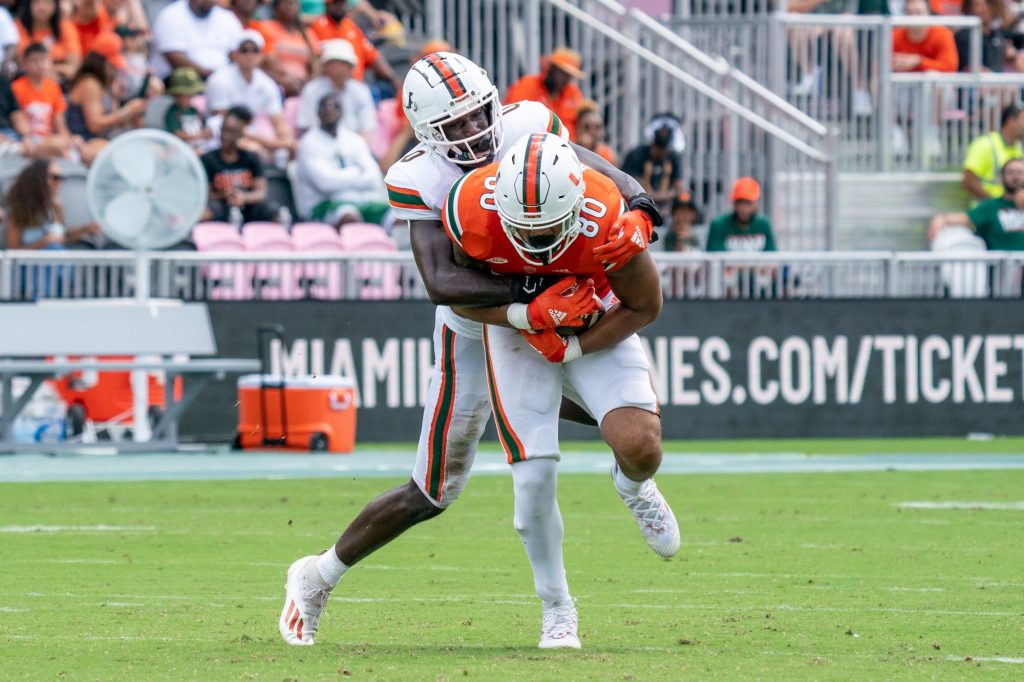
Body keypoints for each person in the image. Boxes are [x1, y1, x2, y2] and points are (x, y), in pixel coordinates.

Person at [278, 50, 663, 650]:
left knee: (625, 421)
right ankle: (317, 575)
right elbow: (443, 285)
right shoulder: (422, 179)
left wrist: (638, 204)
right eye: (451, 126)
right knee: (435, 487)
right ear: (425, 133)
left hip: (548, 302)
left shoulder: (528, 124)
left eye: (476, 115)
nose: (471, 132)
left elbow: (592, 167)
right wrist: (530, 300)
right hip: (477, 322)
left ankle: (632, 475)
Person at [438, 133, 679, 646]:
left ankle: (633, 486)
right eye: (526, 229)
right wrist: (526, 312)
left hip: (596, 320)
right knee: (532, 483)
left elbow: (646, 305)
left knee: (641, 446)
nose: (539, 241)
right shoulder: (470, 211)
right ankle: (557, 606)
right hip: (514, 331)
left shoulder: (605, 217)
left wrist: (572, 348)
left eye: (550, 228)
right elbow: (456, 298)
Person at [295, 94, 389, 228]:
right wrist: (356, 172)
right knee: (349, 215)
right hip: (322, 205)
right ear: (317, 112)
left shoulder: (354, 139)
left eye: (335, 106)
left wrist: (340, 178)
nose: (330, 110)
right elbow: (326, 184)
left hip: (358, 201)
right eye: (325, 107)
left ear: (342, 111)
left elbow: (374, 178)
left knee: (397, 215)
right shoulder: (308, 143)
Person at [205, 30, 292, 157]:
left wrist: (286, 140)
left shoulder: (267, 83)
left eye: (255, 50)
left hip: (253, 132)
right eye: (244, 50)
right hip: (221, 134)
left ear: (261, 55)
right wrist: (266, 142)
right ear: (235, 55)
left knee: (288, 149)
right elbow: (224, 123)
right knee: (253, 149)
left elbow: (278, 120)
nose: (250, 55)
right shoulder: (219, 80)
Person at [65, 35, 148, 162]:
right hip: (84, 141)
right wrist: (125, 112)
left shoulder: (109, 84)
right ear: (100, 61)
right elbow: (95, 125)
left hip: (104, 139)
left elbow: (113, 119)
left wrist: (133, 113)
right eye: (111, 65)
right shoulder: (89, 83)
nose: (114, 70)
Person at [200, 105, 277, 223]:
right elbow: (206, 195)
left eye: (231, 131)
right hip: (222, 205)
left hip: (248, 206)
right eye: (223, 130)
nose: (225, 136)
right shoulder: (208, 159)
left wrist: (243, 197)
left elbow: (261, 193)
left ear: (240, 134)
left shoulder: (251, 157)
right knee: (207, 212)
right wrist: (224, 195)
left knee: (274, 211)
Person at [929, 158, 1024, 249]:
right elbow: (965, 218)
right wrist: (942, 218)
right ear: (1001, 177)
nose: (1016, 177)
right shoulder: (992, 206)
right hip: (1001, 264)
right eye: (1011, 172)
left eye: (1020, 172)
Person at [3, 160, 99, 249]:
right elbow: (12, 251)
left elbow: (60, 238)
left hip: (58, 264)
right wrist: (44, 242)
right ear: (37, 179)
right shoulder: (18, 212)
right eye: (55, 177)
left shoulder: (56, 206)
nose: (59, 182)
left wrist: (84, 230)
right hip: (31, 266)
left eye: (61, 178)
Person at [295, 39, 375, 142]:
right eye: (333, 62)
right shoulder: (312, 90)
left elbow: (367, 128)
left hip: (354, 146)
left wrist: (358, 150)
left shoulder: (361, 91)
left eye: (342, 63)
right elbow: (306, 125)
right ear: (326, 66)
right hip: (319, 144)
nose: (338, 67)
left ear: (350, 66)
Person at [309, 0, 399, 90]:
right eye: (336, 4)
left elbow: (373, 56)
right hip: (327, 86)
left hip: (355, 86)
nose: (340, 7)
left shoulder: (351, 26)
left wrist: (393, 79)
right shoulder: (316, 25)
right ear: (327, 5)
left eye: (342, 3)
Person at [504, 47, 585, 140]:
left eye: (569, 75)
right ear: (552, 68)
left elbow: (584, 123)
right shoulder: (528, 85)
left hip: (566, 148)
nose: (565, 78)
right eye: (562, 73)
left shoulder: (573, 93)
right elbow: (511, 120)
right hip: (530, 144)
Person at [151, 0, 243, 80]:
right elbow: (175, 58)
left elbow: (239, 50)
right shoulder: (171, 15)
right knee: (185, 78)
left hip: (222, 79)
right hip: (182, 79)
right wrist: (213, 76)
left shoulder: (226, 17)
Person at [621, 113, 686, 216]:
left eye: (664, 149)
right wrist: (667, 195)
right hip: (637, 207)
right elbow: (636, 189)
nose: (661, 153)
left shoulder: (673, 157)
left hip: (666, 210)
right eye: (658, 149)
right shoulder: (636, 155)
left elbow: (679, 187)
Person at [253, 0, 319, 97]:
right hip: (274, 85)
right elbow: (266, 60)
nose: (290, 6)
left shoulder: (307, 33)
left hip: (303, 88)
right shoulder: (265, 27)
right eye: (286, 2)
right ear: (277, 6)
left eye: (294, 3)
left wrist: (307, 84)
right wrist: (283, 80)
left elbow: (315, 65)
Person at [962, 103, 1024, 202]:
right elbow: (968, 181)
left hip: (1011, 212)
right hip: (985, 213)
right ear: (1011, 120)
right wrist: (994, 206)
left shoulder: (1018, 147)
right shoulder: (984, 144)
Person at [11, 42, 70, 139]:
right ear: (24, 63)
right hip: (26, 139)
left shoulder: (53, 87)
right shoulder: (16, 88)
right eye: (35, 61)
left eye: (44, 59)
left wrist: (68, 139)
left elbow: (60, 126)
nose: (40, 65)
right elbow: (17, 121)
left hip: (49, 138)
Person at [15, 0, 81, 82]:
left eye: (47, 2)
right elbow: (22, 62)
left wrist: (48, 71)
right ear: (29, 5)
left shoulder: (65, 26)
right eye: (37, 2)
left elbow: (74, 66)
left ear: (55, 5)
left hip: (61, 81)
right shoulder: (17, 27)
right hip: (28, 81)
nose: (42, 7)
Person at [706, 177, 778, 252]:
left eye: (748, 203)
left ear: (756, 203)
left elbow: (772, 257)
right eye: (740, 203)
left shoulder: (764, 224)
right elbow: (714, 258)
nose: (744, 209)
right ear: (734, 203)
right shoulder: (719, 225)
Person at [892, 0, 958, 72]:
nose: (914, 18)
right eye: (909, 13)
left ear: (928, 13)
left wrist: (919, 61)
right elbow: (881, 63)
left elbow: (950, 67)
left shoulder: (942, 34)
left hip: (934, 82)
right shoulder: (895, 35)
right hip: (901, 81)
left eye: (918, 13)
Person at [954, 0, 1007, 72]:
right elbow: (969, 69)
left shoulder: (997, 36)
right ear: (969, 8)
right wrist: (999, 81)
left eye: (987, 4)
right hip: (975, 82)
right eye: (977, 5)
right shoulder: (963, 37)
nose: (983, 9)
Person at [164, 66, 209, 148]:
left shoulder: (193, 110)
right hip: (180, 150)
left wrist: (206, 133)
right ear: (176, 94)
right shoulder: (173, 111)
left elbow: (203, 128)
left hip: (198, 147)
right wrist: (198, 136)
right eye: (186, 94)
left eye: (191, 93)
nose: (190, 96)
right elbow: (176, 134)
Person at [574, 99, 615, 164]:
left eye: (598, 127)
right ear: (577, 129)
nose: (593, 132)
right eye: (587, 127)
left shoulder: (607, 154)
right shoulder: (569, 152)